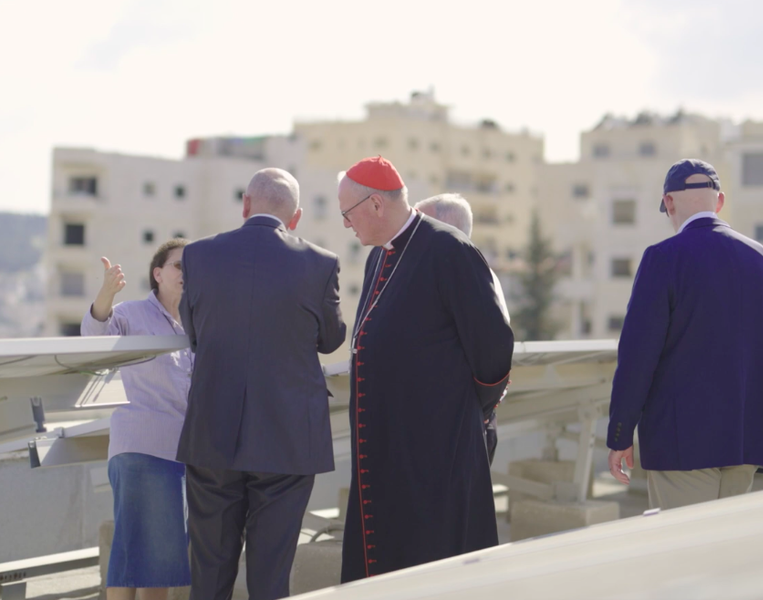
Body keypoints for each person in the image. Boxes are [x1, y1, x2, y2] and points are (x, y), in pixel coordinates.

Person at [337, 156, 514, 582]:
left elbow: (493, 352)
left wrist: (453, 411)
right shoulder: (379, 257)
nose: (346, 224)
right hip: (387, 450)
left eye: (348, 213)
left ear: (376, 205)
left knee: (433, 568)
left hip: (436, 452)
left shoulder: (449, 249)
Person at [177, 168, 346, 600]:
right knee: (271, 573)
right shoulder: (320, 263)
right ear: (296, 216)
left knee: (209, 568)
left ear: (246, 205)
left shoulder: (197, 256)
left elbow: (194, 334)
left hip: (212, 430)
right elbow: (330, 339)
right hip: (287, 435)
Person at [607, 158, 763, 510]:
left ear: (669, 202)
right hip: (747, 440)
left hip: (683, 445)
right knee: (726, 556)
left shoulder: (663, 259)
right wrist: (759, 414)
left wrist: (620, 433)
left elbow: (637, 356)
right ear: (719, 201)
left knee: (684, 555)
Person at [81, 238, 193, 600]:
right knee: (143, 561)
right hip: (143, 448)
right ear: (157, 273)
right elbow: (95, 335)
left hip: (179, 453)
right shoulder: (134, 313)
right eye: (178, 265)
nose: (186, 272)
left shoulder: (196, 321)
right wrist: (106, 295)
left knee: (148, 561)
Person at [414, 192, 510, 464]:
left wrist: (475, 412)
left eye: (423, 225)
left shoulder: (472, 275)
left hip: (463, 424)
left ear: (445, 227)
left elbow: (492, 354)